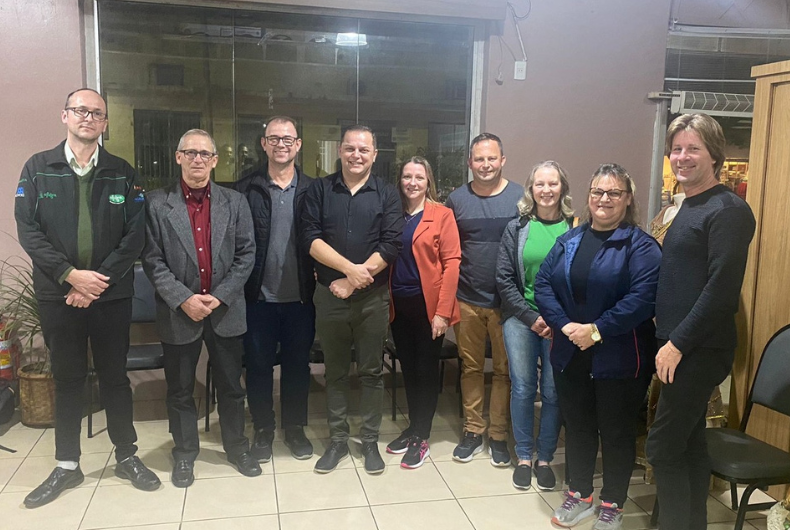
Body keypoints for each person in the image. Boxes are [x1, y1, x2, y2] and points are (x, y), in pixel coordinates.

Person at [15, 88, 160, 508]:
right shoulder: (38, 168)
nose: (88, 118)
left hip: (111, 297)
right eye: (80, 110)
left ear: (105, 123)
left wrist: (97, 282)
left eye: (97, 113)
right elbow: (29, 231)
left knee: (116, 378)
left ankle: (127, 456)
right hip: (58, 295)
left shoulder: (123, 172)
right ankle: (67, 464)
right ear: (65, 116)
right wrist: (71, 277)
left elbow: (135, 235)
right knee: (68, 379)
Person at [535, 164, 661, 529]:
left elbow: (642, 299)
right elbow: (543, 284)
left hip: (620, 359)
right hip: (570, 353)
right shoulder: (570, 240)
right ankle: (579, 494)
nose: (604, 199)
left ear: (628, 199)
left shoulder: (642, 247)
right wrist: (565, 325)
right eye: (597, 192)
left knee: (616, 432)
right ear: (588, 196)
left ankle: (612, 504)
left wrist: (597, 330)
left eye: (613, 192)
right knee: (577, 427)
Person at [646, 113, 755, 530]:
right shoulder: (687, 205)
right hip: (677, 344)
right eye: (676, 149)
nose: (682, 157)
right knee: (688, 445)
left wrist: (677, 344)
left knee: (662, 448)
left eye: (693, 148)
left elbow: (721, 290)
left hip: (699, 349)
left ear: (714, 154)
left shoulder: (728, 210)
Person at [142, 129, 259, 488]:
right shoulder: (156, 203)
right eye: (190, 153)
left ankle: (237, 448)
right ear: (178, 157)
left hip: (225, 310)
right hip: (180, 312)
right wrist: (184, 299)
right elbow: (152, 260)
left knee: (232, 387)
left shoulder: (235, 202)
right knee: (179, 390)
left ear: (214, 160)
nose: (197, 159)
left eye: (204, 154)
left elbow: (246, 254)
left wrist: (220, 296)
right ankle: (184, 453)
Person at [301, 125, 403, 475]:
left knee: (372, 372)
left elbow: (391, 244)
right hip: (330, 296)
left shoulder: (387, 194)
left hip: (373, 299)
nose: (356, 155)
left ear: (374, 154)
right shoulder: (319, 190)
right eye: (350, 148)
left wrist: (355, 282)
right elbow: (310, 239)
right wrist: (348, 274)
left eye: (363, 149)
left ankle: (370, 441)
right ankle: (338, 441)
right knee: (336, 372)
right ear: (339, 151)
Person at [234, 116, 316, 462]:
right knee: (258, 367)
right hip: (257, 298)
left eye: (288, 139)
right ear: (263, 144)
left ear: (298, 145)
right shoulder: (244, 189)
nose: (281, 144)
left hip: (301, 298)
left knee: (298, 367)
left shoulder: (314, 190)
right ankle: (264, 429)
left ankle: (295, 429)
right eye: (274, 138)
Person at [445, 133, 523, 466]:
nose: (486, 165)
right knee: (471, 368)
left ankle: (499, 436)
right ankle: (473, 431)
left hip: (508, 303)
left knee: (505, 372)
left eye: (492, 158)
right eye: (479, 159)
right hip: (467, 299)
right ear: (470, 162)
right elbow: (447, 249)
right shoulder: (456, 200)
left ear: (502, 160)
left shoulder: (521, 198)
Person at [496, 160, 573, 491]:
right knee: (524, 388)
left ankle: (545, 459)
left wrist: (557, 319)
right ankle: (525, 456)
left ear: (562, 187)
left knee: (554, 391)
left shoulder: (575, 228)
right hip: (521, 318)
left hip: (561, 324)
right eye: (540, 184)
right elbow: (504, 279)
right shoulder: (516, 228)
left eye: (552, 183)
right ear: (531, 189)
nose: (546, 190)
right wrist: (531, 318)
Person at [385, 157, 461, 469]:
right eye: (407, 177)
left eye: (419, 177)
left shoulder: (441, 215)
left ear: (428, 181)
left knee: (426, 370)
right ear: (400, 180)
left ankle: (422, 435)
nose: (412, 183)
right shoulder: (393, 214)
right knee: (409, 369)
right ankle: (413, 428)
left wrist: (442, 313)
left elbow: (452, 263)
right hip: (398, 306)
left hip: (428, 307)